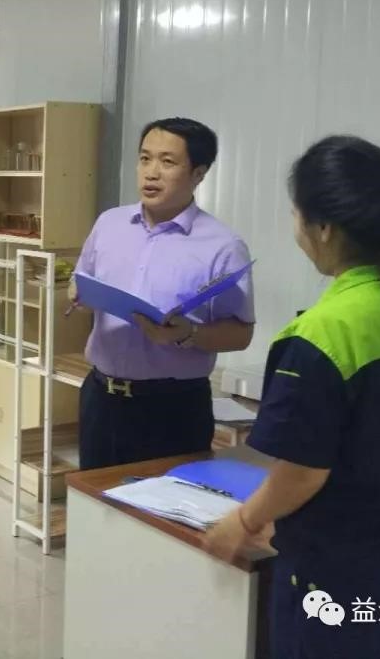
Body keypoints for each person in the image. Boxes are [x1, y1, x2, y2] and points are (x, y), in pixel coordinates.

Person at [205, 135, 380, 659]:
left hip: (342, 583)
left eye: (296, 213)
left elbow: (303, 472)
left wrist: (242, 522)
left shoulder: (323, 334)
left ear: (324, 229)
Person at [69, 117, 256, 470]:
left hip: (172, 408)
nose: (151, 173)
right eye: (145, 159)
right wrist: (77, 293)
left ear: (198, 173)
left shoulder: (222, 246)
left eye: (167, 162)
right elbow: (81, 280)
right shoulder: (109, 224)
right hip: (101, 398)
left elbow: (241, 333)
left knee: (161, 503)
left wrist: (188, 333)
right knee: (93, 499)